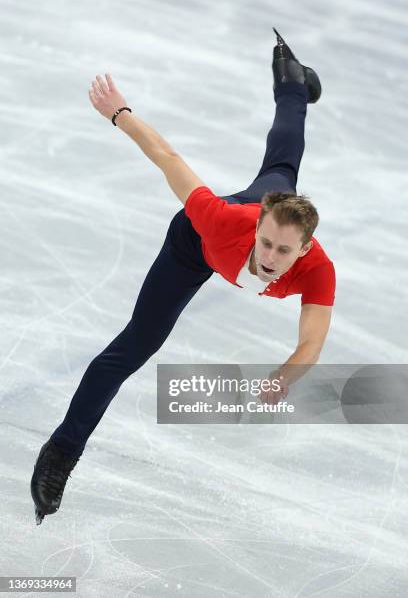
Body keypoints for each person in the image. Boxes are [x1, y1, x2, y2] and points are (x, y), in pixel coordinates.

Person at [31, 28, 335, 524]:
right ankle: (62, 452)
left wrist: (286, 376)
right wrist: (119, 112)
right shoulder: (221, 219)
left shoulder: (317, 269)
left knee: (284, 161)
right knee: (135, 345)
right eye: (267, 242)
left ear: (305, 248)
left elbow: (310, 345)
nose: (273, 257)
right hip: (193, 248)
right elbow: (167, 157)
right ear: (258, 225)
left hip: (262, 215)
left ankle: (293, 81)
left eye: (285, 250)